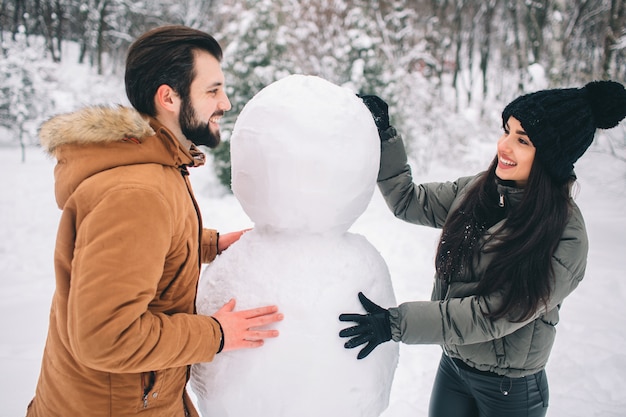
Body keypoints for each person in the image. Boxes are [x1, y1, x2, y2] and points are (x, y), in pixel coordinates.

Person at [26, 25, 283, 417]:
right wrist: (217, 333)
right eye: (212, 90)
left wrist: (207, 244)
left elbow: (139, 247)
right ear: (169, 97)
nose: (226, 103)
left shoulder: (154, 168)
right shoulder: (137, 193)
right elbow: (106, 337)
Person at [339, 80, 626, 417]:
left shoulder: (564, 235)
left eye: (522, 140)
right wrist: (384, 135)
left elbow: (495, 313)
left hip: (510, 389)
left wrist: (395, 323)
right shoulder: (480, 190)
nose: (504, 146)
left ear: (551, 155)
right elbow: (409, 201)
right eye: (507, 131)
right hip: (454, 367)